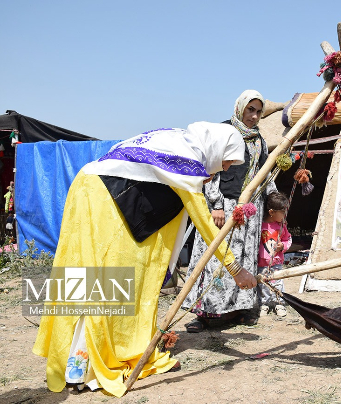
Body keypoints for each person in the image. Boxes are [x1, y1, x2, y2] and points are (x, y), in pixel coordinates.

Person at [32, 122, 257, 397]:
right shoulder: (185, 158)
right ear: (216, 148)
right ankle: (84, 370)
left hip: (92, 188)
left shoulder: (175, 140)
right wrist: (235, 268)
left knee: (92, 280)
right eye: (225, 161)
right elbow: (202, 219)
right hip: (104, 199)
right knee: (105, 287)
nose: (224, 169)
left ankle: (77, 368)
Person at [183, 90, 276, 331]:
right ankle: (205, 314)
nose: (254, 116)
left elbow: (262, 172)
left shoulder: (260, 141)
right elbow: (212, 168)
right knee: (217, 257)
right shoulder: (224, 132)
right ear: (239, 108)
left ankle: (238, 310)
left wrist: (272, 199)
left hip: (250, 210)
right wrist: (215, 204)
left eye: (258, 111)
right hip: (224, 206)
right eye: (250, 110)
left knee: (244, 257)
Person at [257, 191, 291, 317]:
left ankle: (279, 304)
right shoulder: (259, 226)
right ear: (271, 212)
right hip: (261, 262)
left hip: (276, 262)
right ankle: (264, 304)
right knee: (263, 285)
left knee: (277, 283)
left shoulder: (281, 226)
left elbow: (288, 239)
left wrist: (283, 246)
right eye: (282, 212)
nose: (285, 215)